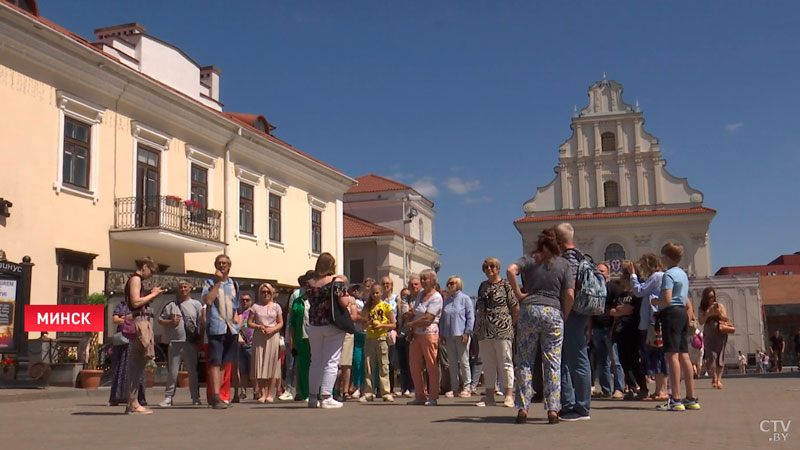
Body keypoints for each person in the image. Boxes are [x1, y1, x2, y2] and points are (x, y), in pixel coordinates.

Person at [507, 228, 575, 425]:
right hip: (553, 311)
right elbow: (569, 294)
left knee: (525, 360)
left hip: (529, 310)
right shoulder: (563, 264)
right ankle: (553, 409)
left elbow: (511, 270)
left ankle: (523, 407)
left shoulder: (529, 259)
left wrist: (519, 294)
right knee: (553, 362)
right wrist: (564, 314)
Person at [651, 243, 699, 411]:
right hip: (682, 314)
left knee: (672, 356)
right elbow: (685, 298)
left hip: (671, 314)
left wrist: (655, 301)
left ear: (666, 257)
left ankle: (676, 398)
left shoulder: (668, 275)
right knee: (684, 355)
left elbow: (667, 299)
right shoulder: (683, 274)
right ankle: (691, 397)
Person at [306, 252, 357, 409]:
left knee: (315, 361)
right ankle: (327, 396)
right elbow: (343, 302)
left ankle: (313, 397)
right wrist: (348, 298)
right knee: (331, 360)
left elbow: (309, 299)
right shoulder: (337, 282)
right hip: (332, 324)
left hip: (314, 325)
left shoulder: (310, 282)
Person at [554, 222, 592, 421]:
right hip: (581, 311)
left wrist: (565, 313)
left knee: (577, 359)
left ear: (559, 240)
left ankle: (582, 408)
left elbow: (569, 291)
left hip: (572, 312)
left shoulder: (567, 260)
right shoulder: (581, 256)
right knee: (569, 359)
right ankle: (569, 404)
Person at [474, 257, 517, 408]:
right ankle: (490, 395)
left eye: (492, 266)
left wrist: (512, 323)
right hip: (484, 329)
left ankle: (509, 395)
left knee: (505, 361)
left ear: (498, 268)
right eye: (486, 267)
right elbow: (478, 308)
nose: (489, 269)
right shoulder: (482, 286)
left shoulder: (506, 285)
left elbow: (514, 306)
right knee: (488, 362)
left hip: (502, 328)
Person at [124, 257, 163, 415]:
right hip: (139, 323)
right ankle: (132, 402)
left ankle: (133, 401)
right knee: (136, 364)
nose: (151, 275)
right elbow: (135, 302)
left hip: (140, 321)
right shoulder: (135, 279)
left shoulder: (135, 279)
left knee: (138, 364)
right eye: (151, 271)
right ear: (145, 267)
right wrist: (152, 295)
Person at [202, 254, 241, 409]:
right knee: (215, 362)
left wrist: (237, 323)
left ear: (229, 266)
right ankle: (215, 395)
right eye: (219, 263)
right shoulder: (209, 283)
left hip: (231, 328)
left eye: (225, 263)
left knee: (225, 362)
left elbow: (236, 306)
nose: (222, 265)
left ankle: (223, 396)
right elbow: (208, 301)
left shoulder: (234, 284)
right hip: (216, 327)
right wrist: (217, 283)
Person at [158, 280, 203, 407]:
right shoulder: (171, 305)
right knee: (172, 372)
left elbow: (201, 322)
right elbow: (160, 320)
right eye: (181, 287)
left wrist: (200, 340)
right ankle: (168, 397)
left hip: (190, 343)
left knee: (192, 372)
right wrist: (170, 322)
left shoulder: (196, 304)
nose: (183, 289)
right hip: (175, 342)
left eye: (185, 287)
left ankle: (195, 397)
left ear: (190, 288)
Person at [630, 253, 668, 401]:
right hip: (655, 321)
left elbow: (639, 291)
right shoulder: (661, 276)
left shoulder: (656, 276)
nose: (642, 270)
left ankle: (660, 391)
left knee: (655, 356)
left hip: (651, 323)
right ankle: (661, 389)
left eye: (643, 266)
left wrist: (633, 276)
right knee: (659, 356)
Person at [404, 269, 443, 406]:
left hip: (429, 333)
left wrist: (411, 323)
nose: (422, 281)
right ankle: (420, 395)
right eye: (421, 278)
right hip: (417, 334)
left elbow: (428, 317)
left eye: (425, 278)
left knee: (431, 364)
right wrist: (409, 317)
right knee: (414, 365)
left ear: (433, 281)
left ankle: (433, 396)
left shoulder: (436, 297)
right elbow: (416, 311)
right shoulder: (420, 294)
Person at [609, 262, 647, 399]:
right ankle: (631, 388)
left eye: (624, 279)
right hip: (619, 332)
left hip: (632, 332)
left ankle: (642, 388)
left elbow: (629, 309)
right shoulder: (619, 296)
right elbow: (613, 311)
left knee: (634, 361)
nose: (622, 282)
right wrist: (619, 311)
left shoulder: (636, 295)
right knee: (624, 362)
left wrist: (620, 310)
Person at [591, 263, 625, 400]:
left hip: (610, 328)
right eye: (597, 271)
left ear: (608, 273)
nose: (599, 273)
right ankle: (605, 389)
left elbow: (620, 307)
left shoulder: (613, 288)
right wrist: (589, 328)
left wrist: (614, 324)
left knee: (615, 360)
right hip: (597, 328)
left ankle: (619, 388)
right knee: (602, 361)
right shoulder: (592, 289)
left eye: (602, 271)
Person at [440, 276, 475, 399]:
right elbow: (443, 319)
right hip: (449, 335)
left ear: (459, 285)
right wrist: (442, 334)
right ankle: (454, 388)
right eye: (448, 283)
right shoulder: (446, 301)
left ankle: (467, 387)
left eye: (453, 283)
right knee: (452, 363)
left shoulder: (465, 299)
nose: (450, 286)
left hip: (461, 334)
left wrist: (467, 333)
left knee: (464, 361)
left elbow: (470, 317)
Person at [248, 283, 283, 402]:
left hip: (273, 336)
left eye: (268, 292)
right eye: (263, 292)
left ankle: (270, 393)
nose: (266, 294)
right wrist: (259, 326)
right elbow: (249, 322)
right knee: (260, 364)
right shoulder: (255, 306)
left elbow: (280, 322)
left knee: (272, 364)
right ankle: (262, 392)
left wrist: (273, 329)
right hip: (259, 336)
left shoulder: (276, 306)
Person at [361, 283, 396, 402]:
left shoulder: (386, 307)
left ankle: (385, 392)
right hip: (370, 338)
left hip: (382, 338)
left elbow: (393, 324)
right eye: (373, 293)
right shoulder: (367, 308)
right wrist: (369, 323)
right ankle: (368, 392)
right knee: (369, 366)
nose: (375, 295)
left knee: (384, 366)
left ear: (381, 293)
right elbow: (362, 325)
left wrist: (382, 325)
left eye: (377, 292)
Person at [108, 301, 146, 407]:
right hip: (122, 340)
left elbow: (140, 318)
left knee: (136, 368)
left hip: (135, 338)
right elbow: (115, 319)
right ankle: (116, 397)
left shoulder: (140, 304)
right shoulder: (121, 305)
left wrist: (123, 319)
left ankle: (137, 398)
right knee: (119, 367)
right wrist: (128, 318)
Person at [698, 287, 728, 389]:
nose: (712, 299)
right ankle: (714, 377)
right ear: (705, 298)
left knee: (720, 355)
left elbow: (725, 317)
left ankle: (719, 379)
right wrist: (708, 313)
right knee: (710, 356)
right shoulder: (702, 308)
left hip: (720, 332)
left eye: (713, 296)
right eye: (709, 297)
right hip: (709, 332)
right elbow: (701, 321)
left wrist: (718, 313)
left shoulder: (719, 305)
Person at [395, 286, 415, 397]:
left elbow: (411, 314)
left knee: (410, 362)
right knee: (402, 363)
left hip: (410, 334)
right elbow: (400, 316)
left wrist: (409, 312)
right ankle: (404, 387)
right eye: (403, 295)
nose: (405, 297)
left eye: (407, 295)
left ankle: (411, 387)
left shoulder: (414, 302)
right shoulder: (400, 304)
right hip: (400, 333)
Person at [236, 293, 255, 401]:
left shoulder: (253, 312)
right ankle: (243, 391)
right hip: (240, 344)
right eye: (243, 300)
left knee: (253, 370)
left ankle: (256, 391)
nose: (245, 302)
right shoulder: (238, 313)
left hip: (251, 343)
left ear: (250, 301)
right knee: (242, 370)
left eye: (247, 300)